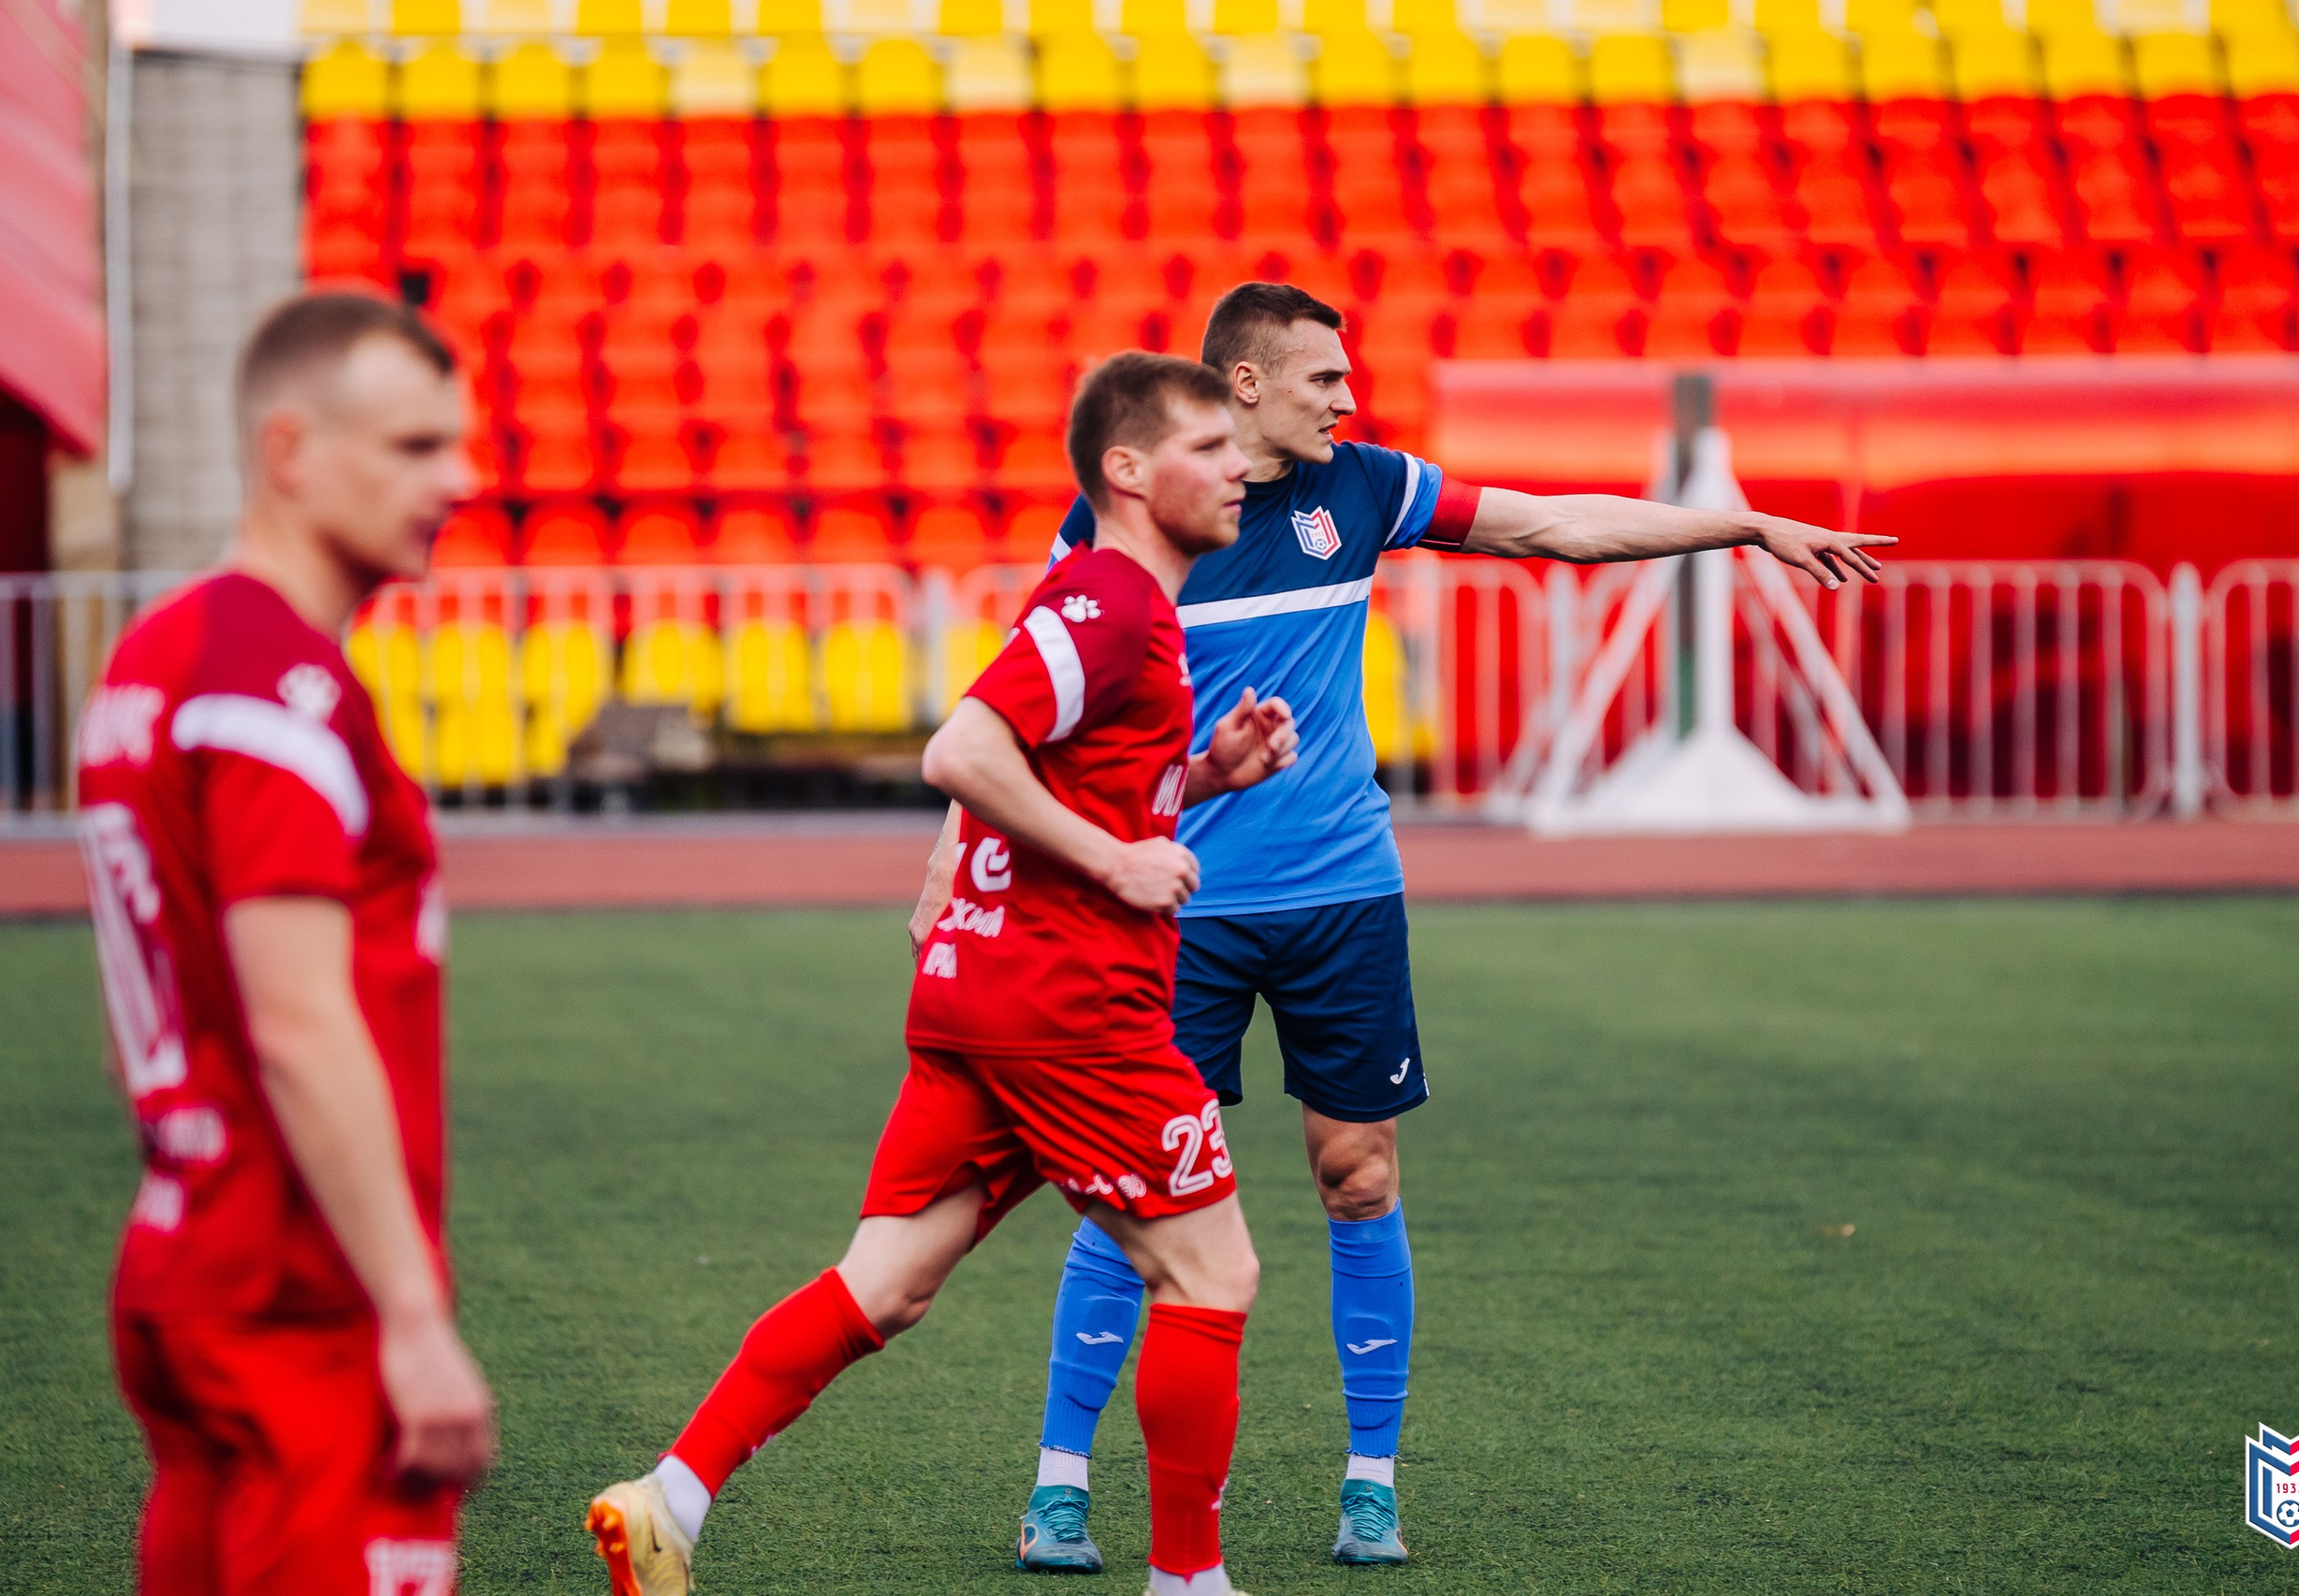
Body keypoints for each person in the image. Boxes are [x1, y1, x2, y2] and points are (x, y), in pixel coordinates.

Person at [910, 283, 1899, 1573]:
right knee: (1127, 1200)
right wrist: (950, 860)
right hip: (1176, 911)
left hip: (1343, 899)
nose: (1348, 397)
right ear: (1246, 385)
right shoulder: (1131, 528)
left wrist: (1744, 525)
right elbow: (1017, 711)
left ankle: (1369, 1481)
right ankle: (1058, 1482)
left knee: (1359, 1174)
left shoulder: (1367, 489)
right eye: (1324, 377)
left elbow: (1555, 525)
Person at [586, 352, 1302, 1596]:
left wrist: (1203, 779)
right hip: (1070, 1007)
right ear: (1127, 472)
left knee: (888, 1281)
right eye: (1208, 446)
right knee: (1210, 1269)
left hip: (981, 996)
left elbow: (1067, 776)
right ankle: (1190, 1581)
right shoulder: (1115, 599)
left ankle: (669, 1499)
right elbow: (963, 746)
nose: (1240, 465)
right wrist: (1123, 863)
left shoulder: (1125, 607)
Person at [76, 292, 493, 1594]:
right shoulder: (276, 692)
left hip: (185, 1267)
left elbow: (140, 1016)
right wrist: (413, 1319)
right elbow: (299, 1023)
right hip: (297, 1306)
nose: (461, 480)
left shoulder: (157, 660)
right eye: (415, 448)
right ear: (290, 451)